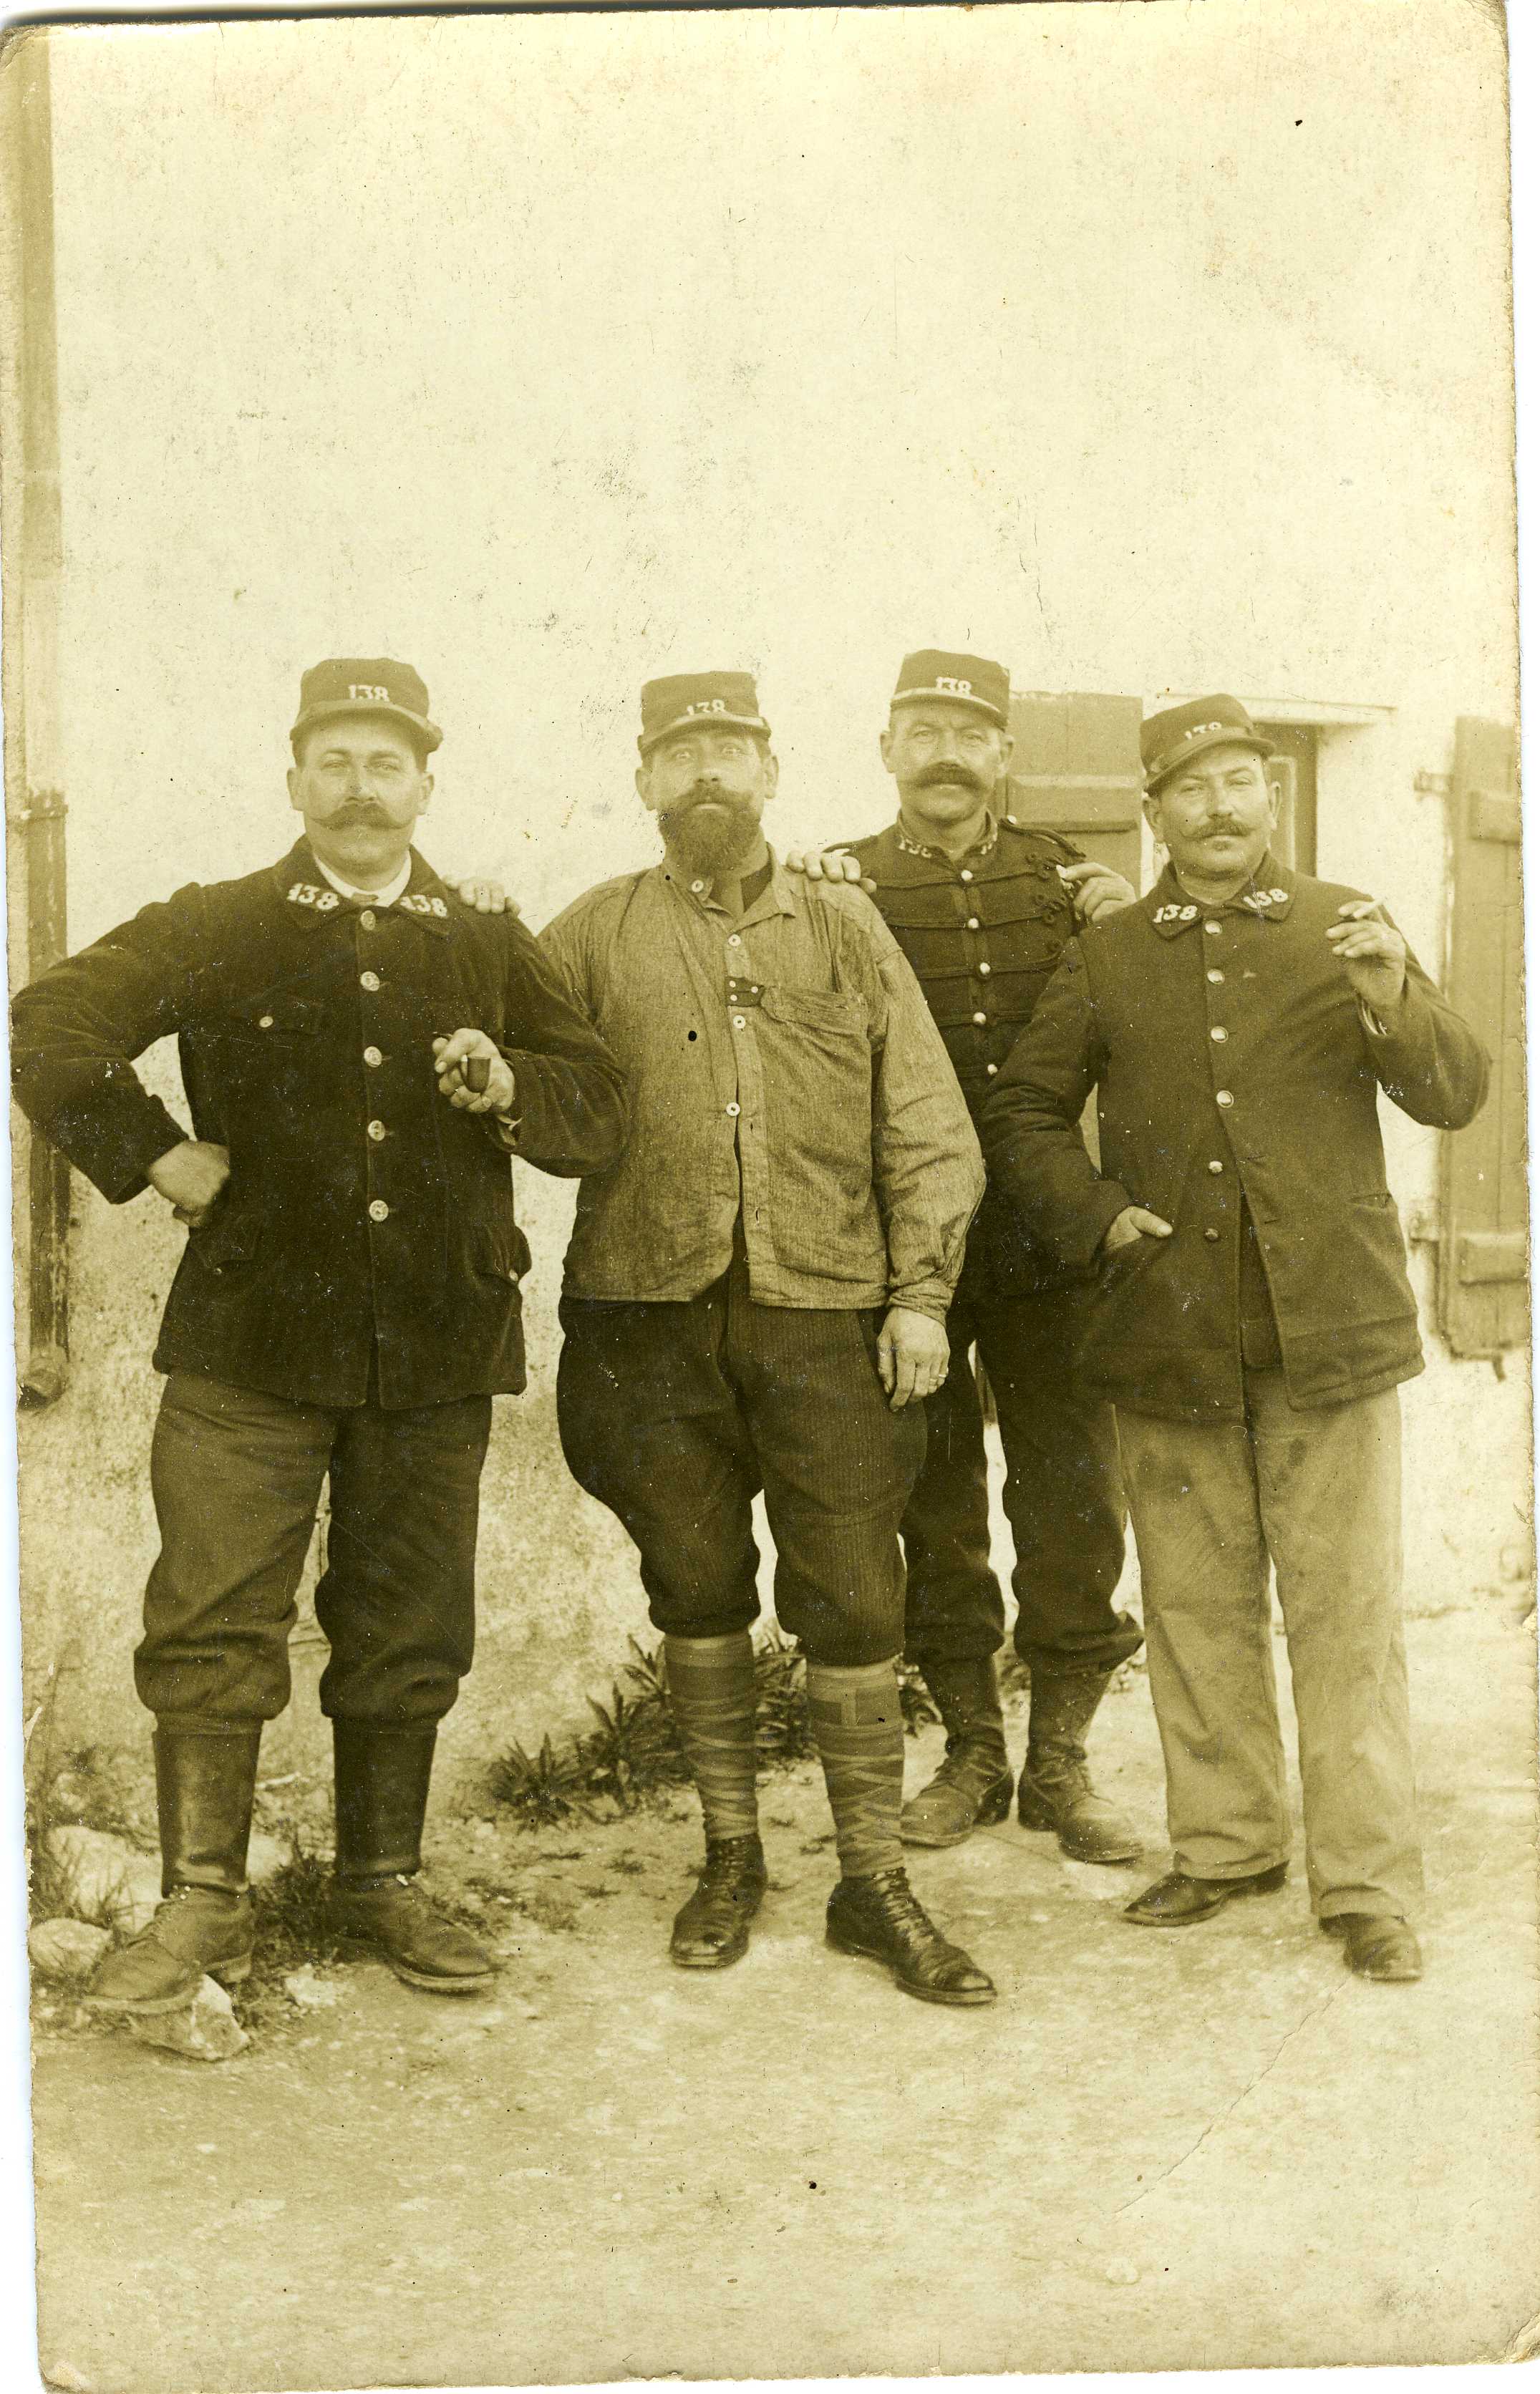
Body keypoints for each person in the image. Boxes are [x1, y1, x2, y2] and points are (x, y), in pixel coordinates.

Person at [11, 657, 629, 2014]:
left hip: (438, 1344)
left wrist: (511, 1082)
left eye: (385, 763)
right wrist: (154, 1152)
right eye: (334, 762)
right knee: (211, 1617)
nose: (360, 788)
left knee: (408, 1621)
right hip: (249, 1343)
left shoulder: (484, 938)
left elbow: (599, 1109)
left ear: (426, 786)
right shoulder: (220, 922)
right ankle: (202, 1906)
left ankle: (381, 1881)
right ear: (294, 779)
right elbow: (47, 1020)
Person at [979, 695, 1489, 1983]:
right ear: (1154, 812)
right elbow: (1025, 1111)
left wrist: (1392, 1000)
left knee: (1346, 1618)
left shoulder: (1347, 925)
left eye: (1240, 783)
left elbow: (1455, 1090)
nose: (1218, 809)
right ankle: (1225, 1848)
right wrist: (1097, 1218)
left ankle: (1366, 1886)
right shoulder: (1108, 954)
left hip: (1332, 1332)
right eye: (1190, 789)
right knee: (1195, 1608)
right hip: (1169, 1331)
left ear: (1273, 796)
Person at [542, 670, 996, 2007]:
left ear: (772, 772)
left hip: (829, 1318)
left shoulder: (845, 928)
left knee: (856, 1594)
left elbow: (929, 1123)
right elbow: (521, 1074)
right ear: (644, 781)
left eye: (729, 752)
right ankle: (731, 1856)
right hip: (646, 1316)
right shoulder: (590, 933)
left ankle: (872, 1882)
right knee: (694, 1585)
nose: (706, 776)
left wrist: (920, 1297)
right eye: (680, 755)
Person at [788, 651, 1145, 1864]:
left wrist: (1121, 912)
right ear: (887, 749)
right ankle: (973, 1753)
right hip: (908, 1253)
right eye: (923, 730)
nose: (946, 753)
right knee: (933, 1504)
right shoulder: (837, 882)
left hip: (1050, 1241)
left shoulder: (1070, 884)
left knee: (1073, 1498)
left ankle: (1062, 1761)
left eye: (970, 733)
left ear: (1004, 754)